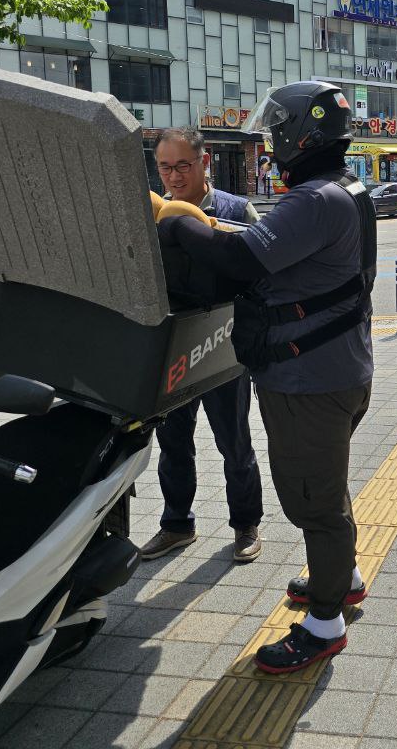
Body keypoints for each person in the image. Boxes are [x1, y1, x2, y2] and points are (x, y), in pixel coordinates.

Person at [157, 82, 375, 674]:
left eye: (278, 129)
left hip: (310, 381)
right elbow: (265, 247)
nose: (272, 140)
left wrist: (178, 223)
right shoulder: (345, 188)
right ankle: (343, 577)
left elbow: (239, 259)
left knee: (313, 503)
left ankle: (324, 624)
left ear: (300, 134)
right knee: (326, 487)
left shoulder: (315, 199)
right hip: (337, 370)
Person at [139, 127, 265, 564]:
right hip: (173, 346)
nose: (174, 177)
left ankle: (246, 524)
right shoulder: (150, 214)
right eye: (165, 168)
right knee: (174, 442)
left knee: (234, 442)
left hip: (223, 346)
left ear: (204, 161)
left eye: (183, 166)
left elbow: (261, 271)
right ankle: (177, 524)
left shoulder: (235, 210)